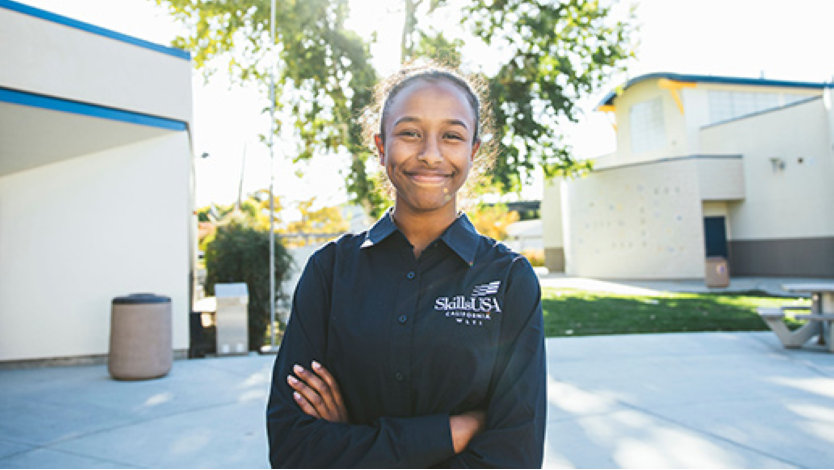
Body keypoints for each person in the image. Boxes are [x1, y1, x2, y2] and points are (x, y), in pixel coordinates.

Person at [266, 65, 546, 468]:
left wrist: (350, 439)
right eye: (410, 133)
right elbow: (293, 450)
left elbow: (514, 457)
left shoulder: (508, 280)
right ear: (381, 146)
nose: (431, 154)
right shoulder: (330, 272)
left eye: (451, 136)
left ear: (474, 151)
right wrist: (450, 433)